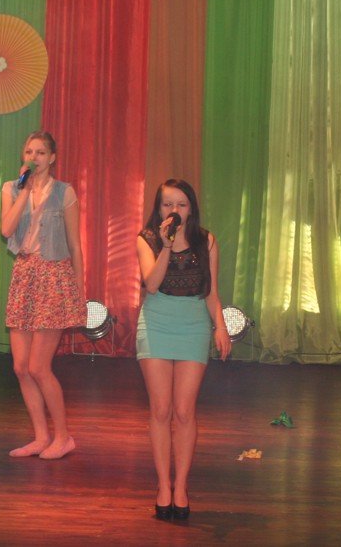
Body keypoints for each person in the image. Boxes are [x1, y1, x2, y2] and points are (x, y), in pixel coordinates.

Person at [136, 179, 231, 520]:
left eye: (181, 204)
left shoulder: (207, 241)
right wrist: (165, 246)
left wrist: (220, 326)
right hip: (156, 322)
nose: (174, 210)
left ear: (191, 208)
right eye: (167, 204)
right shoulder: (147, 239)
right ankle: (163, 485)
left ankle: (181, 486)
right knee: (161, 410)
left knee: (184, 411)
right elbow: (151, 283)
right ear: (158, 208)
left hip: (193, 324)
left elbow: (211, 292)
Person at [0, 130, 85, 460]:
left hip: (54, 275)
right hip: (24, 274)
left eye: (40, 153)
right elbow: (6, 229)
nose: (33, 157)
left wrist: (78, 289)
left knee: (38, 366)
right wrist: (24, 192)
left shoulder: (64, 192)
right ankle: (40, 436)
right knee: (21, 367)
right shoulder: (11, 188)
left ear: (52, 158)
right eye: (29, 152)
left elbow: (75, 244)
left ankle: (63, 437)